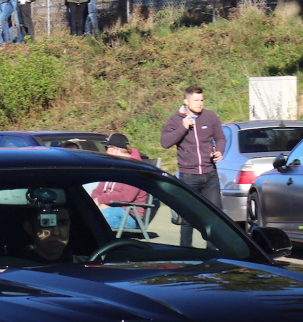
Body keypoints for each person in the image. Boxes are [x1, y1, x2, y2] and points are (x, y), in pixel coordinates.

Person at [161, 85, 225, 246]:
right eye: (195, 100)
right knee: (188, 216)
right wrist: (183, 127)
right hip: (189, 175)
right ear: (185, 101)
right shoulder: (175, 120)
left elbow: (221, 138)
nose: (199, 103)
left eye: (201, 100)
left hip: (210, 174)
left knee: (214, 216)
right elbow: (165, 142)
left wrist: (219, 151)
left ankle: (214, 251)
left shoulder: (210, 117)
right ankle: (186, 251)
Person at [91, 133, 150, 231]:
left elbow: (126, 197)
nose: (105, 152)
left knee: (93, 222)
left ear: (115, 149)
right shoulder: (113, 167)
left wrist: (100, 201)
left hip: (127, 214)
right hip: (107, 209)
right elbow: (98, 190)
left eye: (107, 148)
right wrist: (92, 203)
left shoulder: (136, 169)